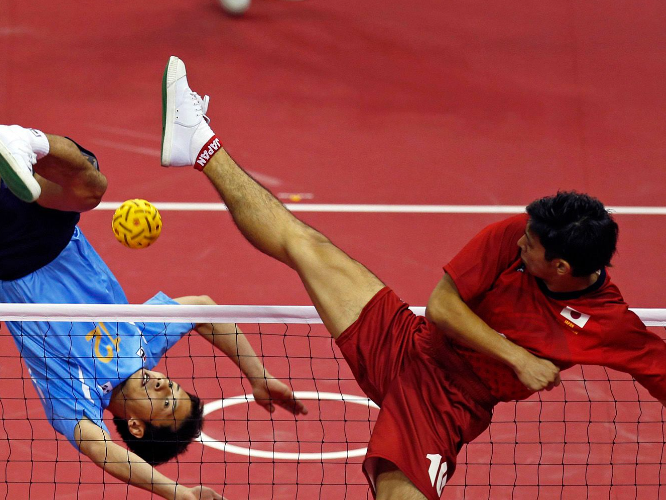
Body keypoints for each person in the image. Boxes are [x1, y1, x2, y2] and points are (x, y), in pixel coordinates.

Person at [157, 56, 666, 500]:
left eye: (532, 245)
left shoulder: (608, 323)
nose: (521, 239)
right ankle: (199, 143)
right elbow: (442, 306)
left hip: (446, 402)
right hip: (409, 341)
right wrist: (518, 359)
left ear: (562, 268)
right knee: (306, 245)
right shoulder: (517, 232)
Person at [0, 88, 307, 500]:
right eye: (174, 388)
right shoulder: (144, 343)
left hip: (6, 250)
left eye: (168, 405)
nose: (164, 385)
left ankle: (13, 150)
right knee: (91, 185)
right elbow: (204, 310)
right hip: (59, 227)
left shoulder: (75, 398)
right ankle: (24, 142)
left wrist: (177, 493)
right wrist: (258, 376)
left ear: (136, 427)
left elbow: (103, 452)